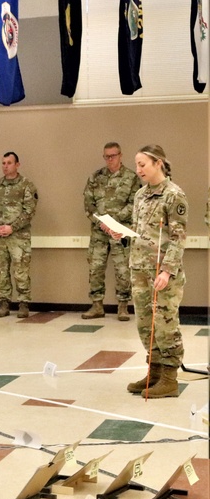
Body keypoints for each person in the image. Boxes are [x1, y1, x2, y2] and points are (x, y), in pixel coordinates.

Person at [107, 145, 187, 398]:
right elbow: (140, 230)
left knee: (165, 324)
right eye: (137, 164)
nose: (138, 169)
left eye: (143, 164)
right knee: (145, 324)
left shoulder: (174, 195)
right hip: (139, 269)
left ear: (158, 163)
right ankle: (154, 372)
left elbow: (178, 238)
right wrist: (121, 232)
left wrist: (166, 271)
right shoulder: (141, 195)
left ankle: (169, 379)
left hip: (162, 273)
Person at [82, 142, 141, 321]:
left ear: (120, 155)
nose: (110, 159)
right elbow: (88, 204)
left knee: (123, 270)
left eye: (113, 156)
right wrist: (102, 223)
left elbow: (135, 204)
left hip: (120, 231)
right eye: (106, 156)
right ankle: (97, 305)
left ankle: (123, 307)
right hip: (99, 232)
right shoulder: (95, 177)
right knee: (95, 269)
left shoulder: (131, 178)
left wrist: (115, 221)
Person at [0, 152, 38, 319]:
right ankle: (4, 303)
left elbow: (29, 211)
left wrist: (12, 227)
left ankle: (23, 303)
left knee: (20, 271)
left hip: (19, 237)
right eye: (3, 163)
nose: (5, 166)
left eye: (9, 163)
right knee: (0, 271)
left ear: (17, 165)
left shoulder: (26, 185)